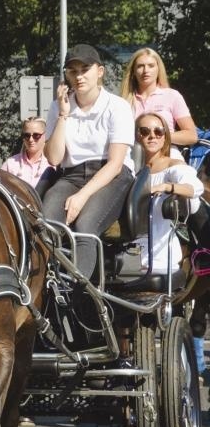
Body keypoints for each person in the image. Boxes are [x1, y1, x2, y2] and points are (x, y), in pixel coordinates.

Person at [43, 44, 135, 282]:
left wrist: (82, 197)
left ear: (100, 71)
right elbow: (54, 158)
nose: (79, 76)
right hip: (71, 175)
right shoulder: (58, 106)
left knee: (85, 225)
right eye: (72, 71)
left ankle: (79, 293)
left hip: (111, 174)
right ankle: (48, 286)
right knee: (46, 224)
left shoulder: (117, 106)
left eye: (85, 69)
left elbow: (115, 164)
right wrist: (63, 114)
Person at [132, 113, 203, 275]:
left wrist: (166, 186)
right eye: (144, 131)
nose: (152, 136)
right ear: (136, 135)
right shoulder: (130, 167)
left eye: (158, 131)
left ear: (165, 137)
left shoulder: (173, 165)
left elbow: (195, 188)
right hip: (126, 255)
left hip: (159, 256)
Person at [121, 47, 198, 150]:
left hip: (166, 153)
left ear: (158, 69)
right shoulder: (122, 102)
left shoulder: (172, 96)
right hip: (131, 154)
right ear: (134, 71)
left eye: (151, 66)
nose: (145, 70)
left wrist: (160, 136)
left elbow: (191, 136)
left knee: (180, 167)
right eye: (140, 66)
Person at [2, 117, 54, 192]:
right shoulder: (10, 164)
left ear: (45, 135)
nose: (31, 139)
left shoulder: (52, 163)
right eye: (27, 135)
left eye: (36, 135)